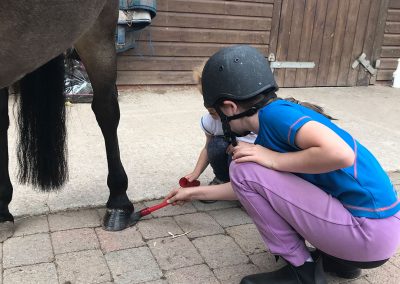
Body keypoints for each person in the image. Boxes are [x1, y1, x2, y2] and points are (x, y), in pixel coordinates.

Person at [165, 45, 400, 284]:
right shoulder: (282, 113)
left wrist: (273, 159)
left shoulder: (274, 118)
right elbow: (253, 188)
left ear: (229, 108)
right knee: (249, 169)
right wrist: (194, 192)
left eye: (217, 113)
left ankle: (301, 272)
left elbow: (341, 154)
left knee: (242, 167)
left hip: (366, 235)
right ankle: (339, 262)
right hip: (380, 230)